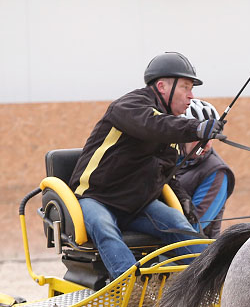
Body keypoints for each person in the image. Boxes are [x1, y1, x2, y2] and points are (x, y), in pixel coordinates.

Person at [69, 51, 225, 280]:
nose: (191, 96)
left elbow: (165, 173)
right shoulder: (130, 106)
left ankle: (214, 280)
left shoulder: (169, 127)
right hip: (95, 198)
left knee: (177, 223)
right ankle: (130, 285)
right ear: (162, 86)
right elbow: (153, 124)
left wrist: (183, 199)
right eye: (185, 87)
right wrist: (196, 128)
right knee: (104, 228)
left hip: (137, 206)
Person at [174, 99, 236, 238]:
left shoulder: (216, 172)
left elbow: (195, 226)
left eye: (211, 137)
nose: (207, 145)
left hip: (194, 254)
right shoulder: (168, 160)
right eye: (200, 138)